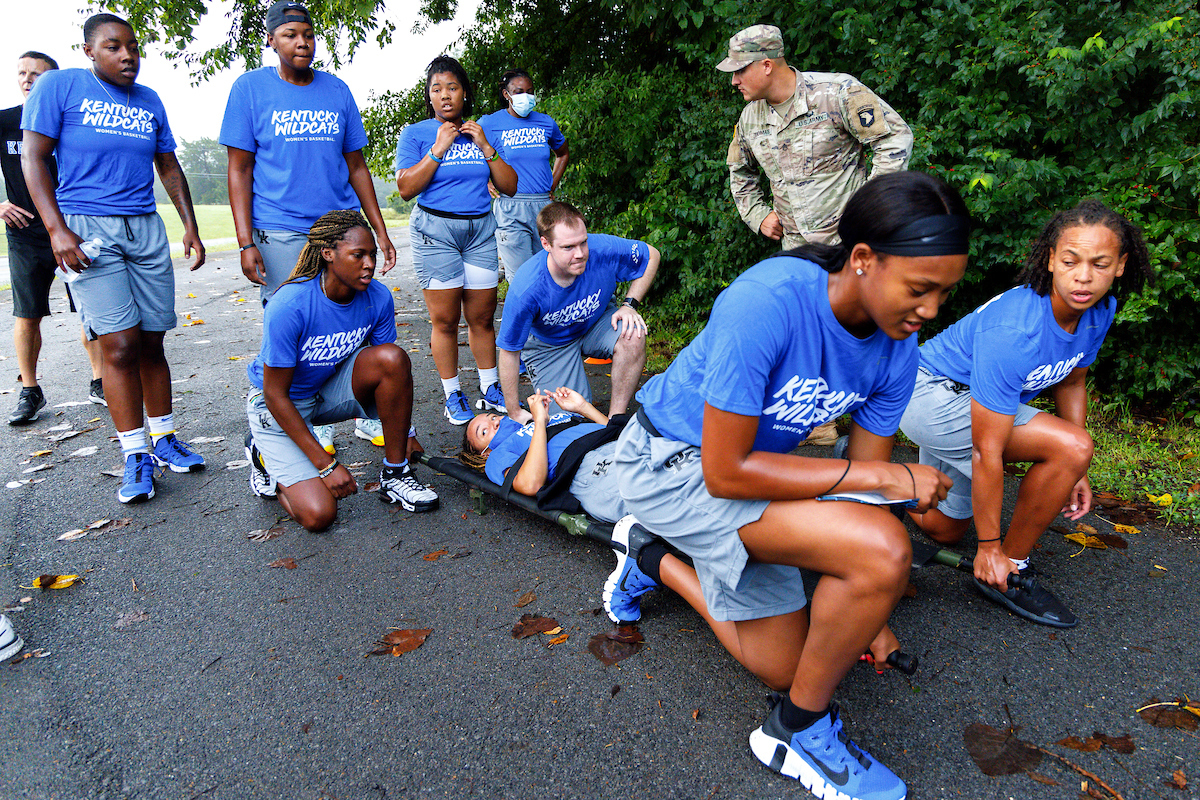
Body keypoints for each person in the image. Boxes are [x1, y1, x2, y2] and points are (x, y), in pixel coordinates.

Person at [613, 171, 970, 799]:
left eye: (945, 295)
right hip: (668, 463)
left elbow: (862, 492)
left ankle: (653, 556)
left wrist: (870, 604)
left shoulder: (896, 346)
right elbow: (728, 472)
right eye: (920, 290)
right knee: (884, 550)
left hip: (754, 478)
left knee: (790, 662)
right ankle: (796, 731)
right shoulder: (768, 301)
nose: (931, 312)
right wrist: (878, 522)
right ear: (862, 260)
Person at [898, 199, 1152, 629]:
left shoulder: (1098, 311)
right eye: (1070, 261)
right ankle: (1009, 570)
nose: (1084, 276)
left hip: (975, 399)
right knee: (1071, 447)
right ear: (1051, 259)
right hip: (930, 396)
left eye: (1100, 263)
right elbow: (986, 449)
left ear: (1121, 265)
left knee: (945, 529)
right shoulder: (1016, 329)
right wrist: (992, 548)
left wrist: (1074, 470)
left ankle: (890, 487)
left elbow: (1071, 381)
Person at [21, 13, 207, 505]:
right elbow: (33, 158)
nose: (127, 55)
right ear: (88, 51)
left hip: (144, 227)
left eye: (133, 47)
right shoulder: (60, 87)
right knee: (119, 346)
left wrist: (189, 225)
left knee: (152, 341)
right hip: (88, 228)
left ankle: (164, 438)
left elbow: (167, 163)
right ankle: (135, 454)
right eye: (113, 47)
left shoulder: (149, 100)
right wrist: (57, 230)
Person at [718, 24, 913, 448]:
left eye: (739, 70)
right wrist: (757, 216)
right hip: (798, 255)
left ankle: (874, 422)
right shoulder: (750, 117)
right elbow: (740, 172)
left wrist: (871, 212)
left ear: (766, 65)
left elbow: (894, 138)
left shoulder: (836, 93)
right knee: (805, 334)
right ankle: (816, 422)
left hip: (853, 248)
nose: (733, 80)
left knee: (866, 330)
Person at [220, 0, 396, 454]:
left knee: (351, 316)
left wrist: (378, 229)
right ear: (271, 40)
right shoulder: (250, 89)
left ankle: (360, 406)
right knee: (298, 324)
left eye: (308, 34)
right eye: (290, 34)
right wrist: (245, 241)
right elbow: (238, 168)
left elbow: (356, 166)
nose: (302, 41)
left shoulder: (335, 90)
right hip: (280, 231)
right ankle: (300, 414)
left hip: (338, 226)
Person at [244, 210, 438, 532]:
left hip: (326, 390)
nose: (369, 264)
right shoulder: (289, 305)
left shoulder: (377, 297)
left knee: (392, 357)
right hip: (280, 408)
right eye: (358, 255)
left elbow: (389, 370)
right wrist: (326, 465)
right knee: (320, 515)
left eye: (372, 255)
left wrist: (405, 435)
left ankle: (395, 474)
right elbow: (274, 394)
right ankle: (263, 455)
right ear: (328, 254)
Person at [396, 55, 517, 425]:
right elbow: (405, 188)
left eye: (452, 88)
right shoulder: (416, 133)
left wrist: (484, 145)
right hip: (437, 232)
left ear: (465, 93)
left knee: (481, 318)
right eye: (437, 89)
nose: (445, 95)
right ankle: (452, 395)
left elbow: (509, 187)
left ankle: (490, 388)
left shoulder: (481, 131)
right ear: (429, 97)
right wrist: (438, 148)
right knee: (446, 320)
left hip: (480, 231)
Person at [2, 51, 105, 425]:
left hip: (75, 230)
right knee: (27, 315)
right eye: (22, 73)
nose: (28, 79)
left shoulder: (74, 122)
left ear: (55, 82)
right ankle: (29, 391)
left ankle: (100, 381)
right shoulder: (6, 121)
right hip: (26, 235)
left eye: (37, 74)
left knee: (91, 312)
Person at [496, 201, 659, 423]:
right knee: (568, 423)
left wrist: (629, 305)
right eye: (568, 247)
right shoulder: (527, 287)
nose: (580, 253)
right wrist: (514, 410)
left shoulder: (602, 249)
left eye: (583, 243)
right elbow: (509, 351)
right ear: (546, 244)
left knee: (633, 333)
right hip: (549, 346)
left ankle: (616, 419)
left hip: (595, 324)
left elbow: (651, 255)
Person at [479, 68, 569, 281]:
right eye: (519, 92)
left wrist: (552, 186)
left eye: (530, 91)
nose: (525, 97)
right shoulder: (490, 123)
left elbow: (563, 153)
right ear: (506, 95)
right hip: (511, 206)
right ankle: (525, 314)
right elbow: (473, 154)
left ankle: (547, 315)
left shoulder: (545, 122)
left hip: (545, 208)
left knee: (551, 272)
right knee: (522, 278)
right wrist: (485, 182)